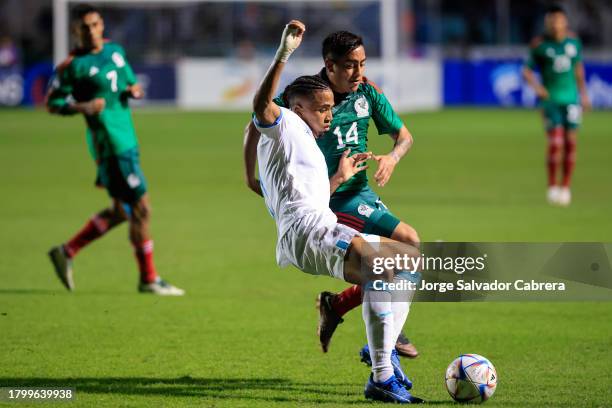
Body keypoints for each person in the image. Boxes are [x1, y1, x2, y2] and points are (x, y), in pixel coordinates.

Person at [252, 20, 423, 404]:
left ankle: (381, 352)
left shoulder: (309, 146)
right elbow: (261, 107)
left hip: (317, 224)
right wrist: (283, 53)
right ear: (296, 108)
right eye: (323, 109)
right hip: (310, 230)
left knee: (410, 259)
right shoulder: (285, 125)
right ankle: (382, 372)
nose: (330, 116)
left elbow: (309, 196)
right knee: (382, 268)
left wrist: (341, 175)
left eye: (331, 109)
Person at [45, 4, 184, 296]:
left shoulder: (115, 51)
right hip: (110, 145)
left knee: (122, 210)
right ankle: (148, 279)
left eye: (95, 24)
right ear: (75, 32)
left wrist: (134, 90)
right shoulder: (71, 66)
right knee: (141, 209)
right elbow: (52, 104)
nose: (91, 31)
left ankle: (67, 251)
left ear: (102, 25)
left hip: (127, 139)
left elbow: (131, 83)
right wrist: (82, 106)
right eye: (84, 27)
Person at [523, 4, 590, 207]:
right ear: (547, 22)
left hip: (571, 100)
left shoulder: (573, 43)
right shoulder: (540, 45)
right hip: (551, 101)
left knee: (571, 144)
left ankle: (566, 187)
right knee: (555, 144)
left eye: (559, 19)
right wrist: (537, 88)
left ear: (565, 21)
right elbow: (526, 71)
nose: (556, 23)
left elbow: (578, 69)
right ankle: (552, 185)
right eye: (552, 19)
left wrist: (584, 95)